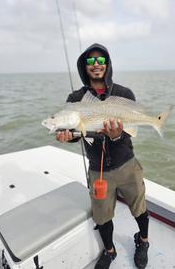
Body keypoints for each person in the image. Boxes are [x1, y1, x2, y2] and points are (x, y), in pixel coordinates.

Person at [56, 43, 149, 269]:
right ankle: (109, 250)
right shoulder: (75, 98)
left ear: (107, 64)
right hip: (98, 168)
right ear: (84, 66)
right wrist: (67, 136)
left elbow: (129, 133)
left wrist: (116, 136)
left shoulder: (124, 93)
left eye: (100, 60)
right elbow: (77, 134)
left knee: (139, 205)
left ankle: (143, 241)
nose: (95, 65)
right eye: (90, 61)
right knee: (102, 214)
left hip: (126, 163)